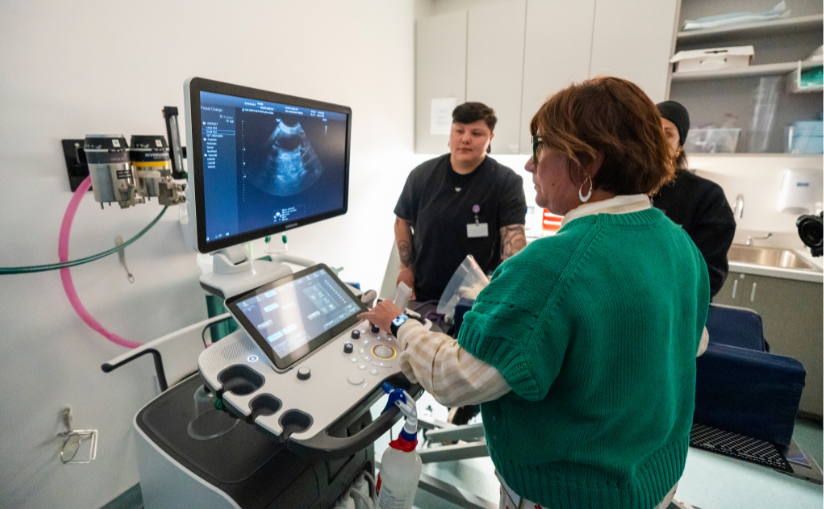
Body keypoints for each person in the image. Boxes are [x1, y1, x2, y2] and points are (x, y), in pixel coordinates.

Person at [362, 77, 709, 509]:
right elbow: (690, 342)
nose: (530, 165)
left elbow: (456, 380)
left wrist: (398, 323)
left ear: (587, 162)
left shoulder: (552, 265)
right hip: (652, 480)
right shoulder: (679, 244)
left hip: (570, 492)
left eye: (540, 147)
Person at [393, 102, 527, 304]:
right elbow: (401, 221)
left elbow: (513, 246)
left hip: (477, 301)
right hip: (424, 295)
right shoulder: (421, 176)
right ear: (450, 134)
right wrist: (405, 268)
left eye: (476, 133)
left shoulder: (506, 182)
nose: (465, 139)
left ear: (490, 138)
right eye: (459, 130)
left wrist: (500, 291)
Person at [652, 101, 736, 297]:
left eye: (667, 134)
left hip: (678, 311)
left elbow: (708, 276)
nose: (657, 140)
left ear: (679, 147)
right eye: (652, 131)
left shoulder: (708, 197)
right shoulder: (627, 188)